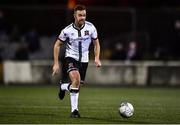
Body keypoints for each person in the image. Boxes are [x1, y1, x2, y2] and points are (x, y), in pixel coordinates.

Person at [52, 4, 101, 118]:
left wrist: (97, 58)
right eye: (80, 15)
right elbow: (57, 45)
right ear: (74, 15)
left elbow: (96, 43)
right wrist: (55, 63)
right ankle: (74, 111)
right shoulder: (67, 30)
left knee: (77, 85)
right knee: (76, 79)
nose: (82, 17)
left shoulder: (91, 27)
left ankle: (63, 87)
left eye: (84, 15)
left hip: (84, 60)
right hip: (71, 57)